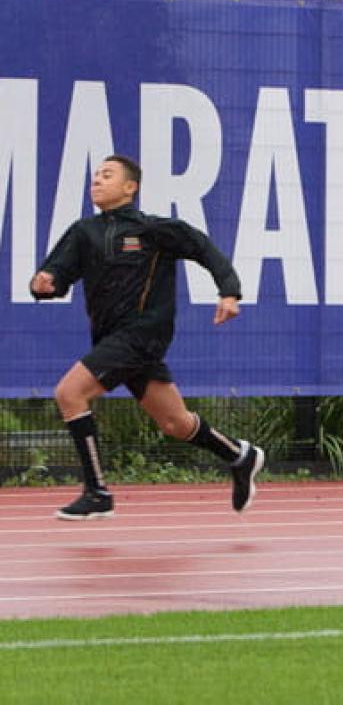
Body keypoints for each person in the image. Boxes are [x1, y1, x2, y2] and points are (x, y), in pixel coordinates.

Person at [29, 154, 264, 520]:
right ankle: (240, 455)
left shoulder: (153, 230)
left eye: (107, 175)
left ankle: (97, 492)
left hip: (142, 335)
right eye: (95, 175)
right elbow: (54, 276)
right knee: (176, 423)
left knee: (69, 393)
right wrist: (43, 284)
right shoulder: (83, 232)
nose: (97, 180)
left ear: (130, 187)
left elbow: (202, 247)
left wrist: (229, 291)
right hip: (112, 340)